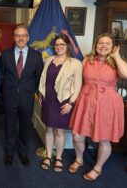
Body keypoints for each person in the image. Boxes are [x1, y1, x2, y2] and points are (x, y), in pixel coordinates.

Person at [69, 33, 127, 181]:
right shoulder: (87, 59)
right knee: (77, 135)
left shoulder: (117, 61)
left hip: (106, 104)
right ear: (95, 46)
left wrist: (116, 56)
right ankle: (79, 159)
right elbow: (78, 79)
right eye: (100, 43)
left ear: (112, 47)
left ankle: (98, 168)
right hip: (86, 100)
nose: (103, 46)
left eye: (107, 44)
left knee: (104, 139)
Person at [0, 25, 43, 167]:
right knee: (9, 127)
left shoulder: (36, 56)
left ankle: (23, 152)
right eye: (18, 35)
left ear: (28, 38)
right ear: (14, 37)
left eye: (24, 35)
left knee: (25, 127)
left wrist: (29, 91)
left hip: (27, 98)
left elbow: (38, 78)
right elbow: (1, 76)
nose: (21, 38)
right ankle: (9, 153)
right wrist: (4, 93)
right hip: (9, 97)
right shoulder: (5, 55)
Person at [38, 34, 82, 172]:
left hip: (63, 102)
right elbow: (44, 79)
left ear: (67, 46)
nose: (59, 47)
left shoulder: (75, 63)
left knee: (59, 131)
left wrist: (70, 103)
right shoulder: (49, 59)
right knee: (49, 129)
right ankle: (48, 155)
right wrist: (41, 94)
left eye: (62, 44)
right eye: (56, 45)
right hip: (48, 99)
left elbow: (78, 85)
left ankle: (59, 158)